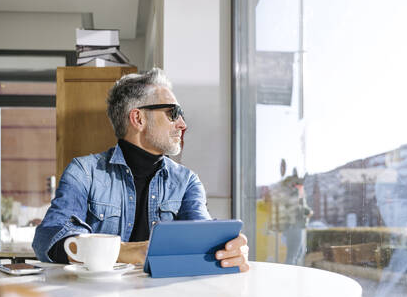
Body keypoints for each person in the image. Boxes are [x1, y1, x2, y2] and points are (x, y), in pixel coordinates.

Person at [32, 68, 249, 272]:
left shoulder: (186, 181)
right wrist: (125, 251)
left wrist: (227, 249)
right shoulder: (84, 172)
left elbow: (202, 234)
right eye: (173, 113)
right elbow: (48, 237)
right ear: (138, 118)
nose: (182, 124)